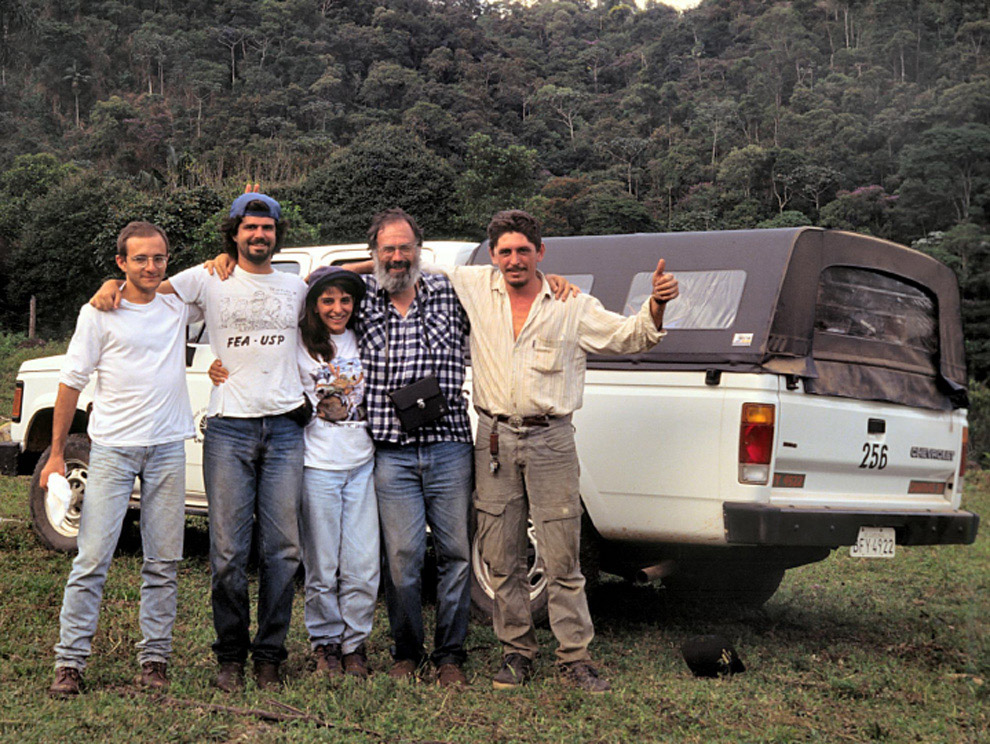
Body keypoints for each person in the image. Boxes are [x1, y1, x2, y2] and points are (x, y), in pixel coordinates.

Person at [439, 209, 679, 693]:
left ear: (540, 253)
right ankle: (516, 653)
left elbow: (632, 336)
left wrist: (656, 304)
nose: (513, 260)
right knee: (502, 554)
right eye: (504, 251)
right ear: (492, 256)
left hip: (552, 440)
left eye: (523, 250)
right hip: (494, 438)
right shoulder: (472, 286)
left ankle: (575, 657)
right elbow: (402, 261)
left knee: (561, 557)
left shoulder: (573, 304)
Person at [91, 191, 308, 692]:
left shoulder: (296, 287)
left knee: (283, 550)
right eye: (249, 228)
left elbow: (350, 295)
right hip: (229, 427)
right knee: (228, 552)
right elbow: (143, 290)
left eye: (268, 228)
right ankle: (230, 657)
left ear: (277, 234)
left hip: (285, 430)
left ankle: (270, 655)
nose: (259, 235)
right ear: (234, 234)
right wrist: (108, 284)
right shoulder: (207, 277)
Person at [45, 222, 200, 697]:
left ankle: (154, 660)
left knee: (163, 561)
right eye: (140, 259)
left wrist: (245, 210)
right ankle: (69, 663)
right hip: (112, 448)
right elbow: (70, 382)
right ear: (120, 264)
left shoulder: (179, 304)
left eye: (159, 258)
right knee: (92, 558)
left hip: (169, 447)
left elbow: (231, 268)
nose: (151, 267)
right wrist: (55, 455)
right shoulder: (98, 313)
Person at [208, 267, 379, 680]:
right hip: (317, 463)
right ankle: (326, 645)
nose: (337, 308)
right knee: (321, 564)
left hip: (362, 462)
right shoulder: (296, 342)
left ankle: (355, 643)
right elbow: (253, 349)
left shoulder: (369, 338)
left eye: (345, 300)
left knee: (364, 564)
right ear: (311, 305)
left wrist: (375, 262)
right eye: (327, 300)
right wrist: (221, 364)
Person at [358, 209, 474, 687]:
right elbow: (314, 290)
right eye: (389, 249)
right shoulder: (359, 298)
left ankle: (450, 655)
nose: (398, 256)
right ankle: (406, 650)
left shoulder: (450, 291)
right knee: (402, 557)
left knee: (456, 554)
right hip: (391, 451)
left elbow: (508, 289)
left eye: (406, 247)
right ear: (375, 254)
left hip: (448, 446)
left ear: (419, 250)